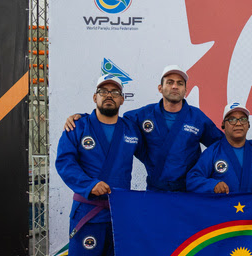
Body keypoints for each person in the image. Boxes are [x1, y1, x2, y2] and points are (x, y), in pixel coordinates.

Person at [52, 75, 142, 256]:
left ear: (122, 99)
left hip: (119, 216)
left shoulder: (131, 129)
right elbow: (65, 162)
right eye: (104, 91)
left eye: (115, 92)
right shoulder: (78, 126)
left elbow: (158, 152)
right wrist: (89, 184)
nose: (109, 95)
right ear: (95, 97)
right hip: (88, 214)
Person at [65, 65, 223, 192]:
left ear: (185, 90)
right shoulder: (143, 115)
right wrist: (84, 119)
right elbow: (111, 119)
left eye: (180, 83)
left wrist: (207, 180)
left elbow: (221, 146)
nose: (175, 86)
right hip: (155, 192)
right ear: (160, 88)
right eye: (169, 82)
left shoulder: (197, 118)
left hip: (188, 192)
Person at [186, 102, 252, 194]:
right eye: (232, 119)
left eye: (243, 119)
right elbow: (192, 180)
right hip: (224, 203)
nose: (238, 123)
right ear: (223, 125)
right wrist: (212, 185)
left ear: (248, 124)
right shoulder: (213, 152)